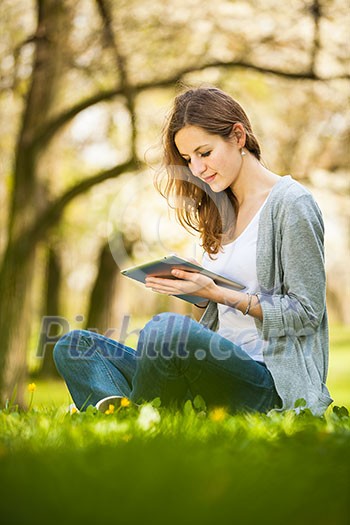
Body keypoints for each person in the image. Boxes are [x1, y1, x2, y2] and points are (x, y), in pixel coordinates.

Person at [53, 86, 332, 416]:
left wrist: (220, 294)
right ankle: (131, 411)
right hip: (215, 371)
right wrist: (199, 292)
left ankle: (134, 417)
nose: (197, 169)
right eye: (188, 159)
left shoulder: (291, 204)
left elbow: (307, 313)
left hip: (267, 383)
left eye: (204, 152)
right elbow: (223, 315)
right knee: (74, 346)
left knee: (165, 331)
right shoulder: (218, 207)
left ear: (238, 136)